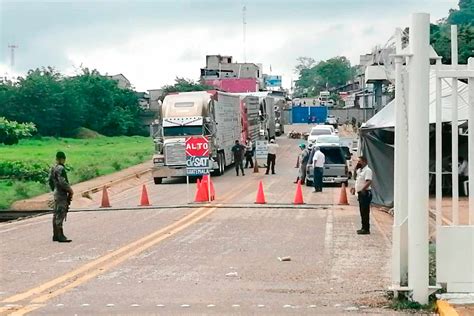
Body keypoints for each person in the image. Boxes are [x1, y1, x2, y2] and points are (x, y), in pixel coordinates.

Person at [48, 151, 74, 242]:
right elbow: (62, 181)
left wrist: (54, 189)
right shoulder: (61, 168)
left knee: (55, 214)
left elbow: (50, 181)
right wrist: (70, 190)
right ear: (63, 159)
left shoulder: (53, 168)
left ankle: (55, 235)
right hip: (61, 194)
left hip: (56, 193)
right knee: (61, 213)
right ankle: (60, 235)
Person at [350, 156, 373, 235]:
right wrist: (355, 169)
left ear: (364, 162)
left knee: (365, 211)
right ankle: (363, 227)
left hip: (365, 193)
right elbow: (356, 178)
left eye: (360, 161)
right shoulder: (360, 170)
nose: (358, 163)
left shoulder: (368, 170)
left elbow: (369, 181)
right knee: (362, 211)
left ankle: (366, 229)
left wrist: (363, 189)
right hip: (360, 193)